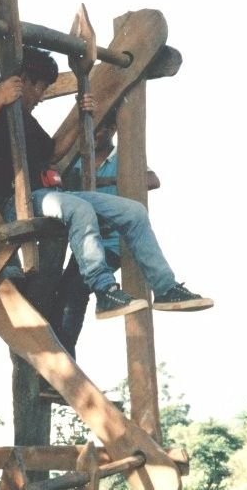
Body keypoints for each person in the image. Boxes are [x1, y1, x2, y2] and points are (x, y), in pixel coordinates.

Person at [0, 46, 213, 322]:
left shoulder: (26, 121)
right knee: (79, 209)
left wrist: (83, 119)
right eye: (40, 88)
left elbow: (54, 152)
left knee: (133, 211)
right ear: (23, 83)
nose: (41, 97)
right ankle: (104, 291)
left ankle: (165, 288)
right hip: (17, 201)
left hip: (48, 195)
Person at [53, 115, 160, 359]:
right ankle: (64, 360)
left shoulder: (124, 157)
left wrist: (106, 181)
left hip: (113, 242)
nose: (92, 135)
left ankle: (66, 361)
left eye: (99, 129)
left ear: (112, 129)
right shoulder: (79, 159)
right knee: (65, 294)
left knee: (77, 290)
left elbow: (153, 180)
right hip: (86, 241)